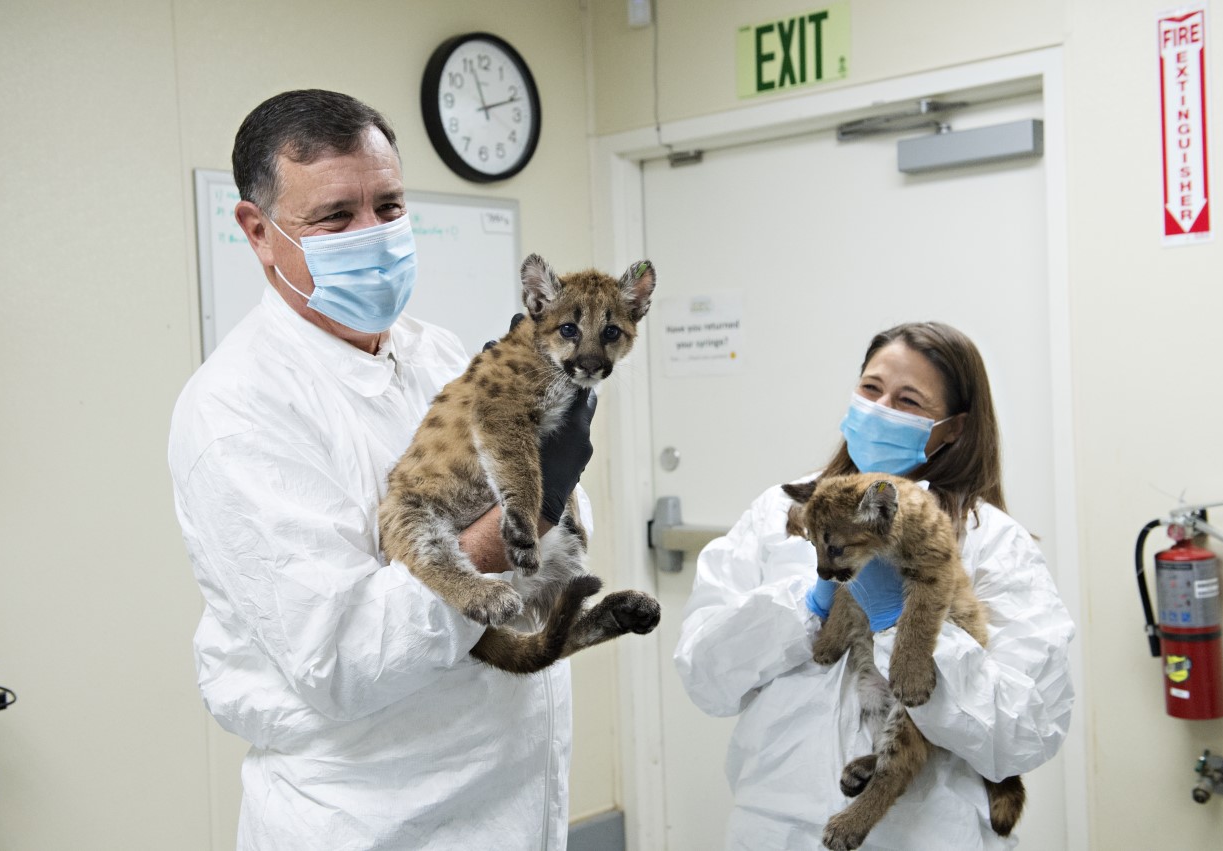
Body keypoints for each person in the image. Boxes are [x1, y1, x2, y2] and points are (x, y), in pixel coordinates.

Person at [169, 90, 594, 850]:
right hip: (377, 819)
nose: (374, 234)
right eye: (336, 216)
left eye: (390, 205)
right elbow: (343, 658)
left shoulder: (434, 352)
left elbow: (557, 550)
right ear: (257, 231)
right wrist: (517, 519)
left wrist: (550, 499)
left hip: (513, 798)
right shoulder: (237, 409)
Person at [673, 321, 1075, 850]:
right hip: (773, 825)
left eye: (908, 400)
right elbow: (705, 674)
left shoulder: (992, 541)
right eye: (870, 389)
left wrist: (903, 623)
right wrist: (808, 606)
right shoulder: (781, 512)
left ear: (952, 428)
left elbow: (1025, 731)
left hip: (923, 834)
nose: (880, 409)